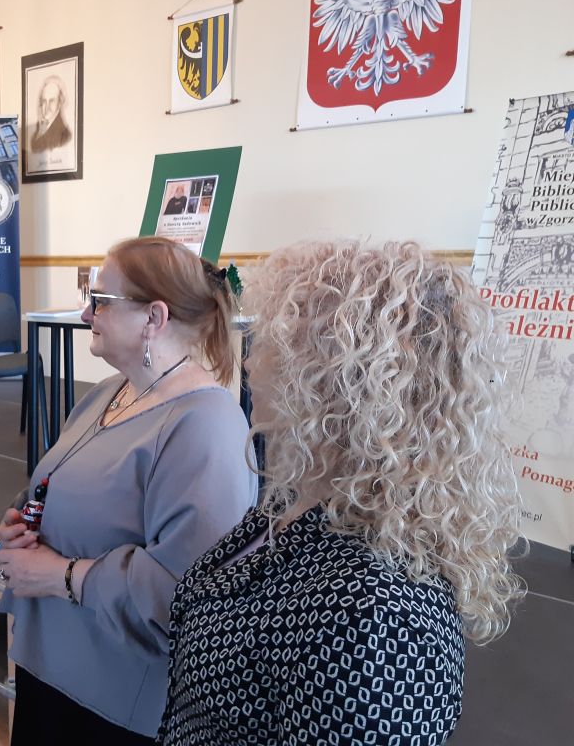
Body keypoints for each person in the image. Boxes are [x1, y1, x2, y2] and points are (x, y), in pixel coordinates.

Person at [159, 240, 527, 746]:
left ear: (333, 378)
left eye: (268, 346)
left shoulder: (378, 623)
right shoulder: (301, 502)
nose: (248, 367)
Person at [0, 236, 258, 745]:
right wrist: (25, 520)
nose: (85, 313)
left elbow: (185, 593)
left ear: (153, 318)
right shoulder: (108, 393)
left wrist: (58, 576)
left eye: (100, 302)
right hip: (49, 669)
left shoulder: (205, 425)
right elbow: (62, 483)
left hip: (113, 705)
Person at [30, 75, 72, 153]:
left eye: (52, 101)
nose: (46, 107)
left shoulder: (65, 135)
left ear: (60, 102)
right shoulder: (36, 133)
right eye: (44, 101)